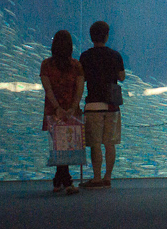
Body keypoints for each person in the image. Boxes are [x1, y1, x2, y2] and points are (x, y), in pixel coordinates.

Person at [79, 21, 125, 189]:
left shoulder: (85, 56)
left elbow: (82, 78)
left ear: (91, 37)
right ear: (106, 36)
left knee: (96, 143)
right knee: (110, 143)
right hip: (112, 105)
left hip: (93, 105)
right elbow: (122, 77)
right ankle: (108, 177)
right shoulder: (115, 55)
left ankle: (96, 177)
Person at [40, 30, 84, 195]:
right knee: (65, 145)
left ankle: (59, 180)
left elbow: (48, 89)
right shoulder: (76, 65)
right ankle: (65, 181)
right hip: (70, 110)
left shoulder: (46, 65)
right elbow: (80, 88)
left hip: (53, 111)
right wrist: (72, 107)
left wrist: (57, 108)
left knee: (59, 145)